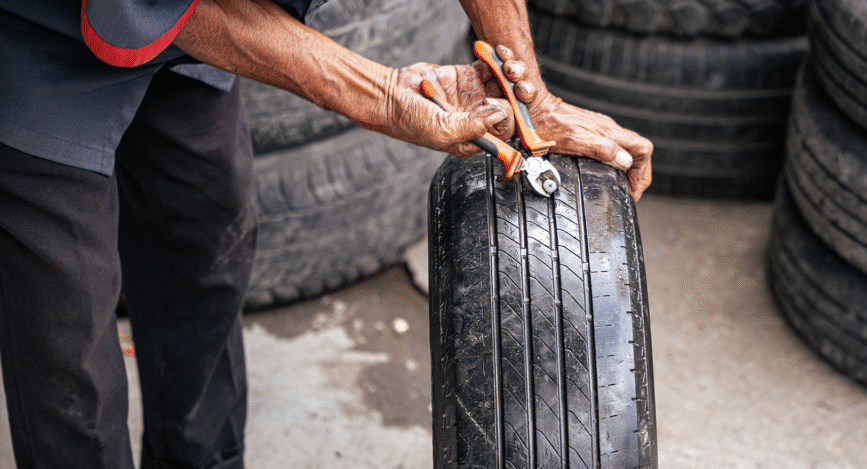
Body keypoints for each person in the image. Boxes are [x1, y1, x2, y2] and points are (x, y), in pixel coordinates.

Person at [0, 0, 653, 467]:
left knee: (204, 247)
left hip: (191, 32)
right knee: (68, 345)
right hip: (34, 41)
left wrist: (530, 97)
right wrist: (385, 95)